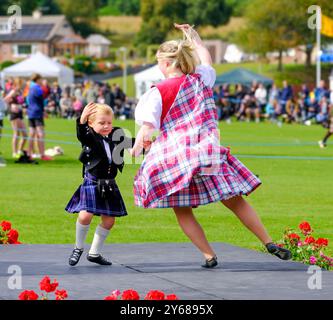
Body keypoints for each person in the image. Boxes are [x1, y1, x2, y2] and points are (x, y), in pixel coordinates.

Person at [130, 23, 291, 268]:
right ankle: (268, 242)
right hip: (206, 153)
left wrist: (135, 149)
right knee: (235, 200)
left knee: (182, 210)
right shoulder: (202, 79)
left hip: (175, 159)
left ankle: (209, 255)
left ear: (166, 64)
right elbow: (205, 55)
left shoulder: (157, 92)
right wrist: (193, 37)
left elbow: (147, 128)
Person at [65, 103, 134, 266]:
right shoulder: (90, 136)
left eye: (109, 122)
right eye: (101, 123)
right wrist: (81, 121)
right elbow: (82, 134)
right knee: (85, 215)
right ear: (91, 124)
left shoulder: (116, 133)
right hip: (92, 181)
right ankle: (78, 247)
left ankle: (94, 253)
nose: (106, 126)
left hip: (109, 183)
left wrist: (145, 144)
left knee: (109, 221)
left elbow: (132, 143)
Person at [27, 73, 52, 161]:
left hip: (30, 113)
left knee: (31, 134)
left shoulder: (30, 87)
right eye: (41, 79)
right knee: (40, 134)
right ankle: (42, 155)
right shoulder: (37, 88)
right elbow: (41, 100)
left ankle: (29, 154)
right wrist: (43, 111)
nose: (42, 81)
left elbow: (28, 100)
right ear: (37, 79)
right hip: (37, 112)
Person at [4, 83, 28, 158]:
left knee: (25, 135)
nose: (23, 86)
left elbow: (22, 102)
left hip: (20, 114)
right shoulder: (13, 91)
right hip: (14, 114)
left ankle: (19, 150)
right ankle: (14, 152)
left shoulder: (20, 92)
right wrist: (10, 106)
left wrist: (23, 107)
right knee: (16, 133)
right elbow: (5, 99)